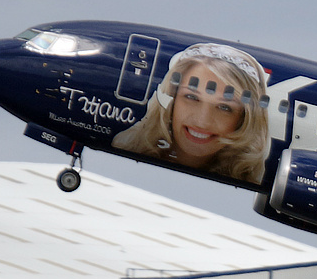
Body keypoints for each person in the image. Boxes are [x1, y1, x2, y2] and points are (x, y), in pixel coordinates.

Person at [114, 43, 271, 184]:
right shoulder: (126, 143)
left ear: (243, 120)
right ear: (171, 99)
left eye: (224, 107)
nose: (202, 121)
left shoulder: (256, 177)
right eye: (191, 97)